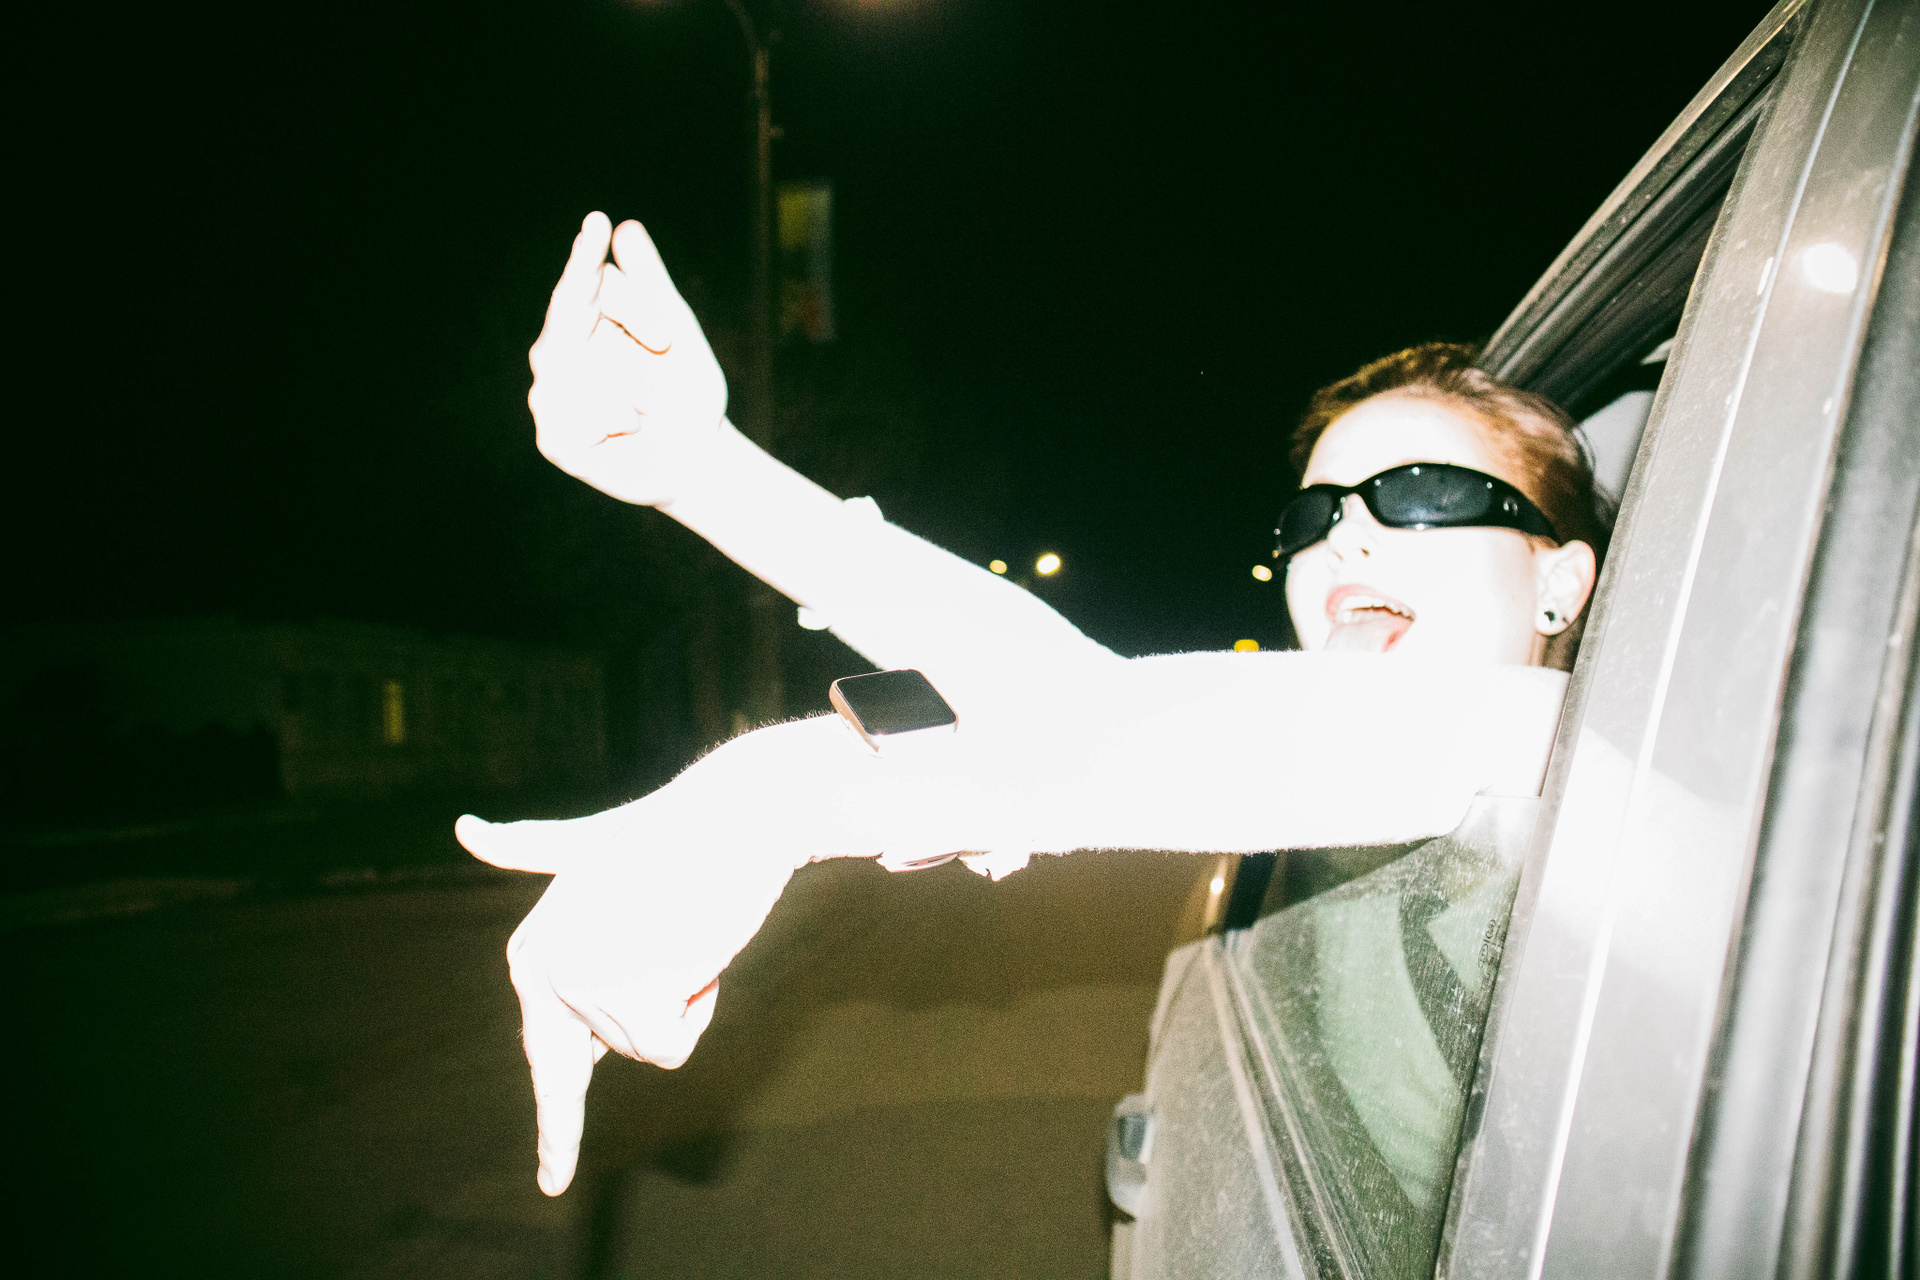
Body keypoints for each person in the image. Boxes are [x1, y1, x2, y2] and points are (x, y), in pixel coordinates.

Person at [455, 212, 1608, 1196]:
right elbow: (1085, 700)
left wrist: (782, 793)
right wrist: (700, 469)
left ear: (1564, 578)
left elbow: (1197, 738)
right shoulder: (1354, 775)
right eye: (1316, 514)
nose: (1346, 533)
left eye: (1422, 493)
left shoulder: (1599, 747)